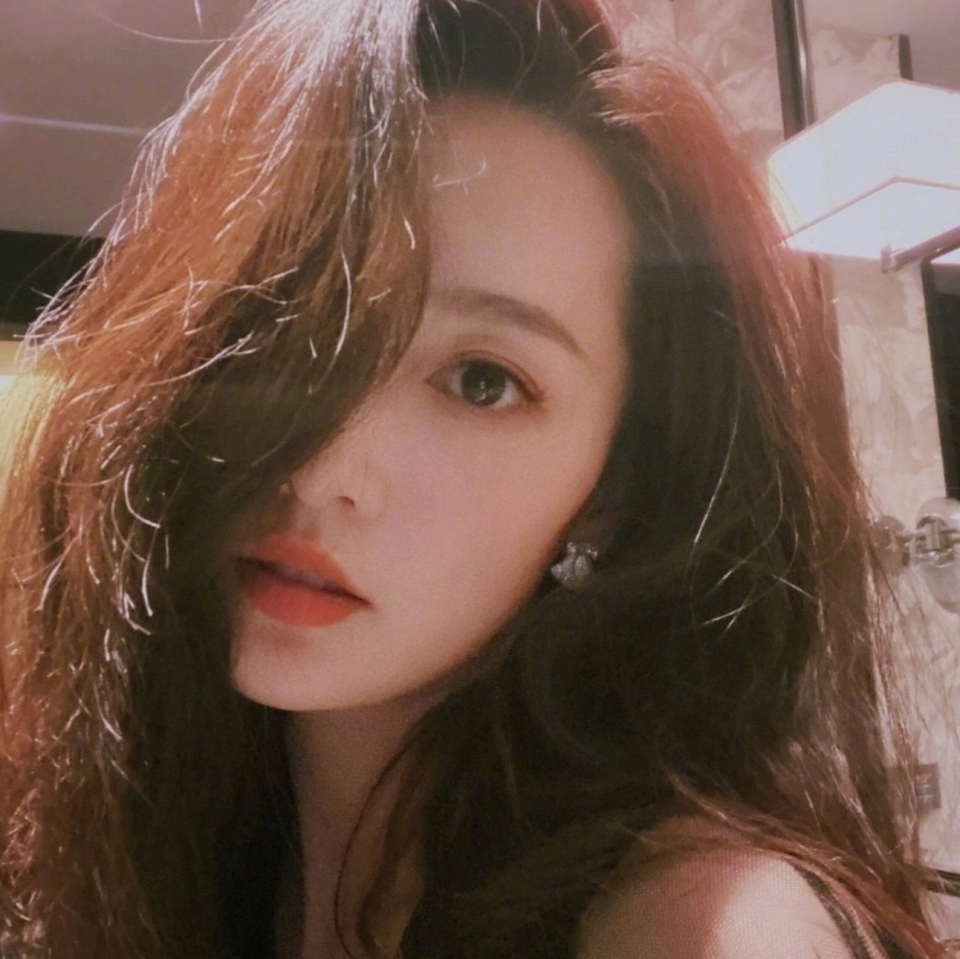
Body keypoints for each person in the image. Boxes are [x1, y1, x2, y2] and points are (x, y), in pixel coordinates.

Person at [0, 0, 946, 957]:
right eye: (288, 322)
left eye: (482, 381)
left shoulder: (698, 920)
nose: (321, 468)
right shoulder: (148, 835)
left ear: (611, 493)